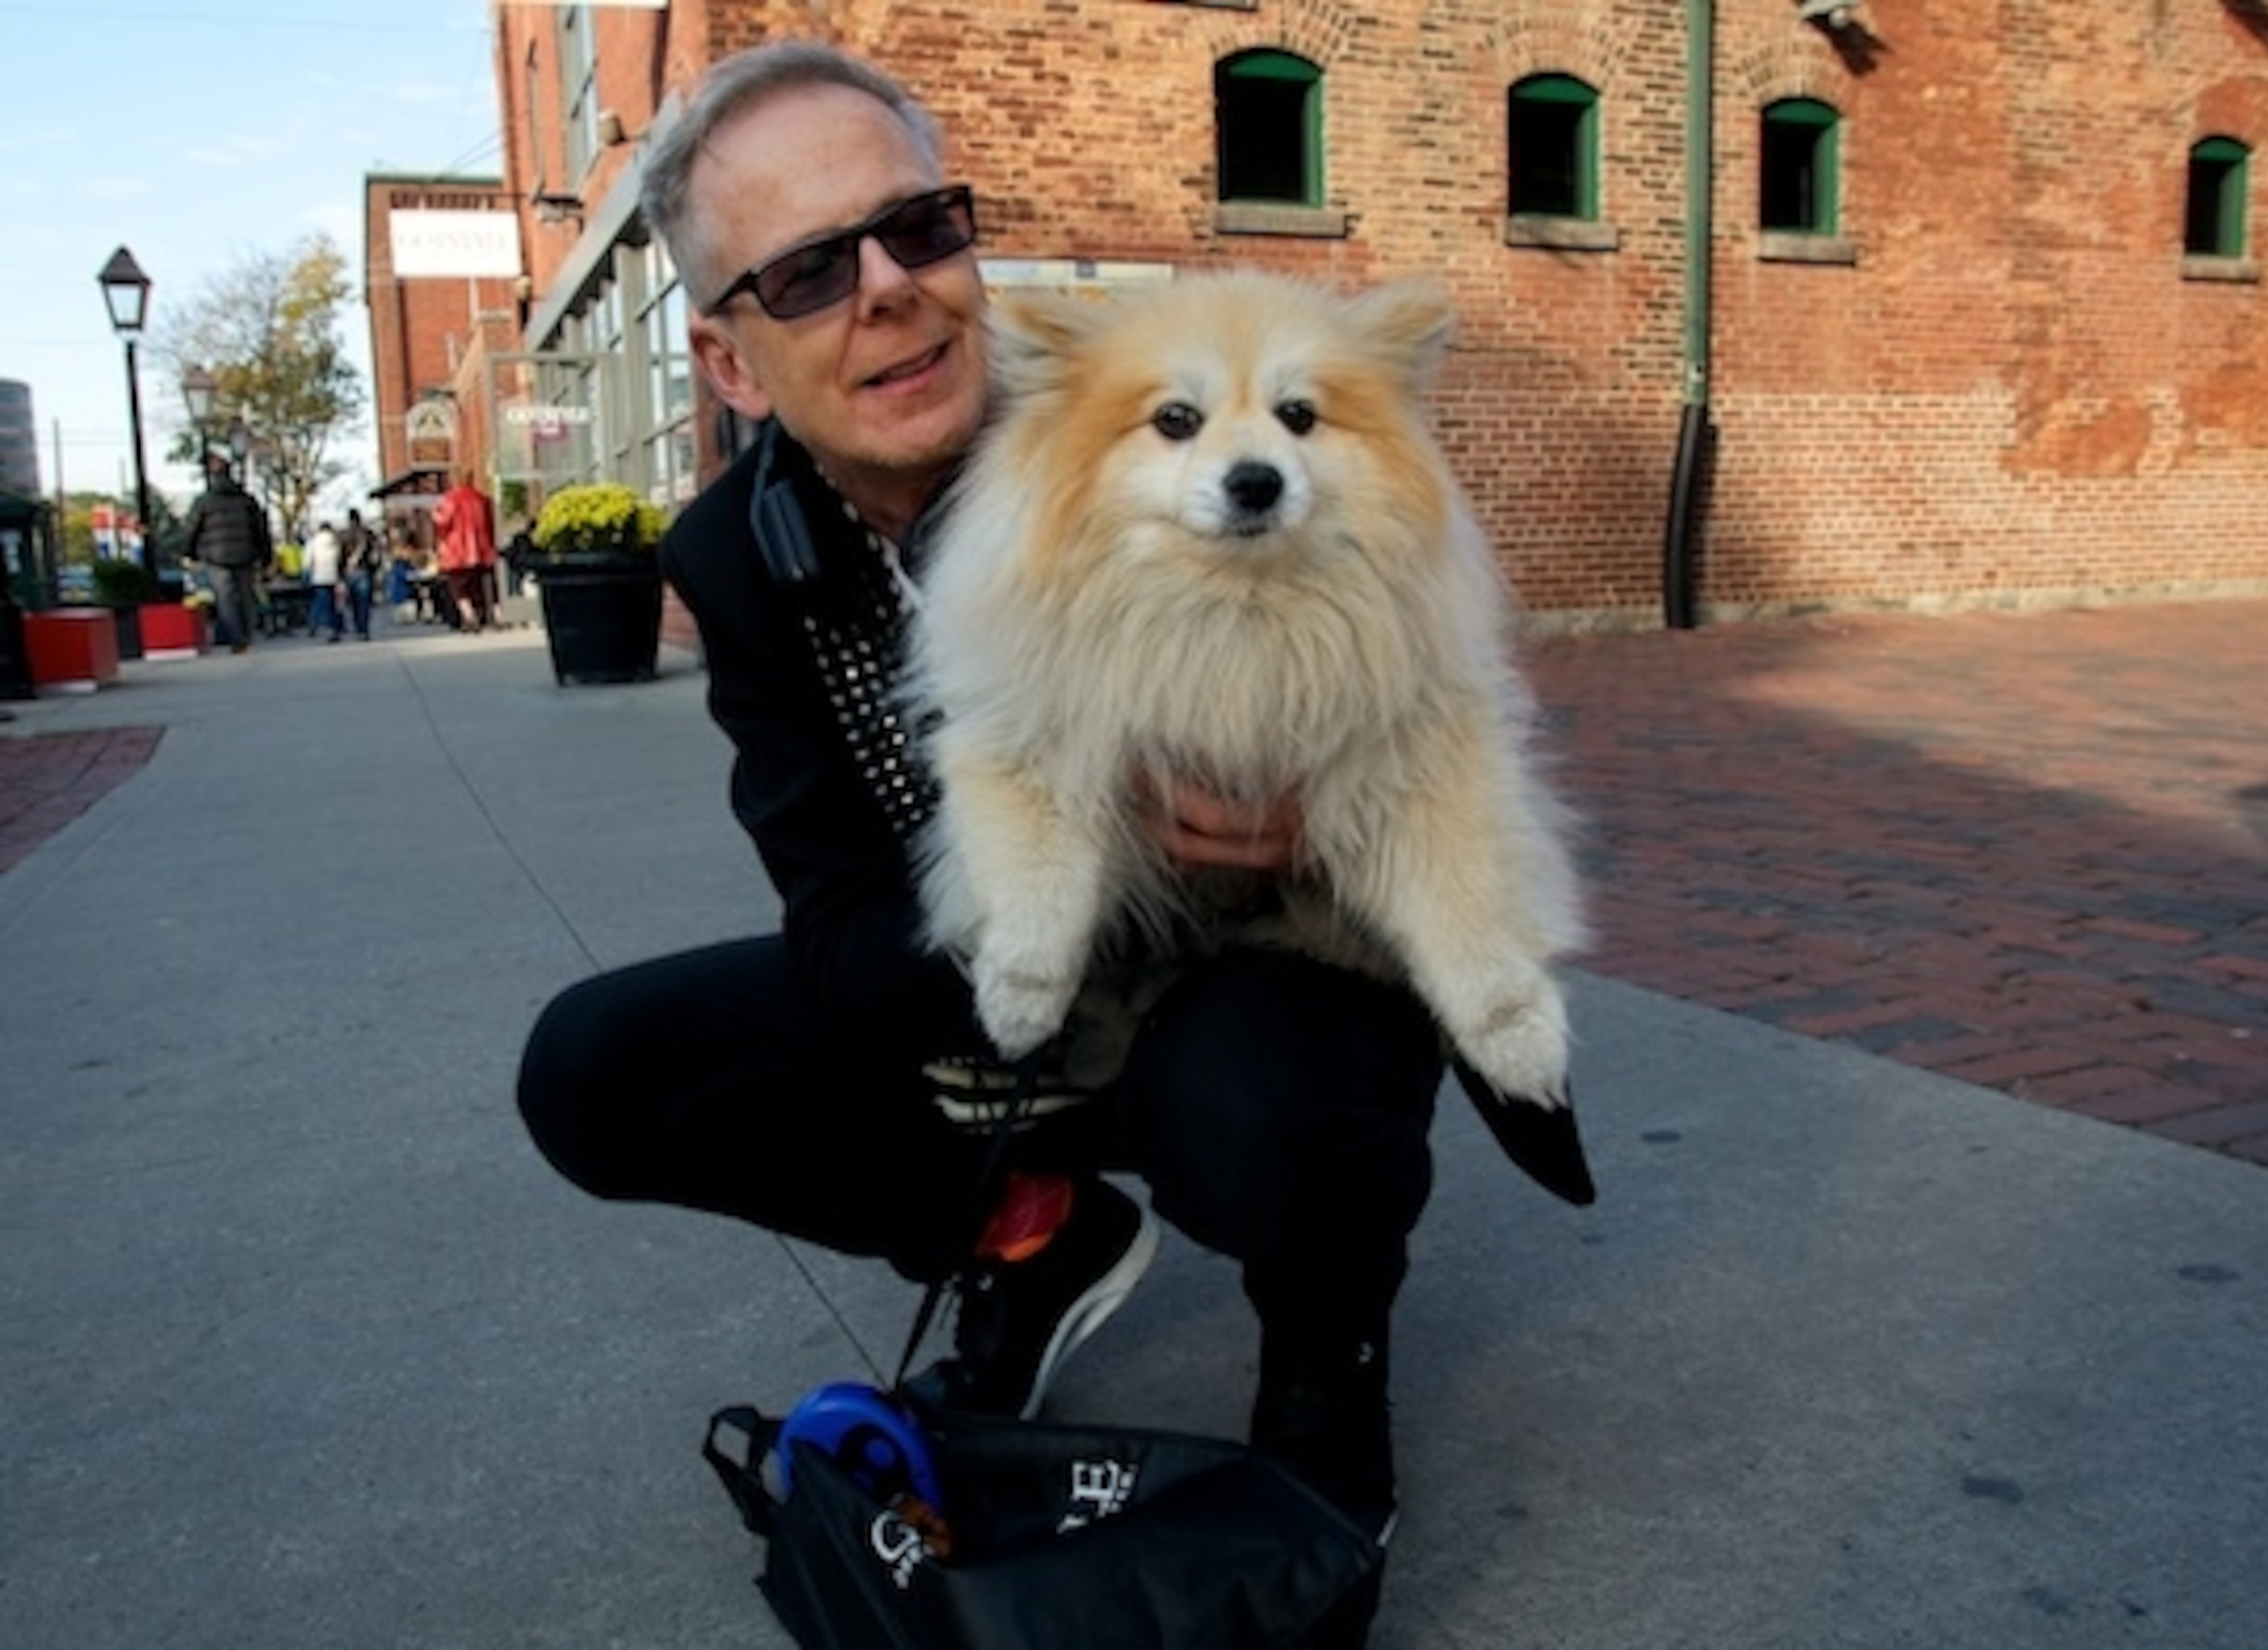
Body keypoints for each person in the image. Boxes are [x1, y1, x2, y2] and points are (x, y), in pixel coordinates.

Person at [516, 42, 1463, 1644]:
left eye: (920, 229)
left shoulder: (1150, 420)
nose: (889, 290)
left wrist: (1318, 768)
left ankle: (1324, 1341)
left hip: (1266, 960)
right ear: (733, 365)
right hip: (1000, 966)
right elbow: (838, 924)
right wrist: (1079, 855)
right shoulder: (743, 560)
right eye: (811, 270)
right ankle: (1037, 1228)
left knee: (1261, 1097)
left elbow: (1414, 658)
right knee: (602, 1069)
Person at [181, 452, 272, 653]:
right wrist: (265, 556)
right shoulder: (247, 500)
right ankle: (247, 635)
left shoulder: (204, 502)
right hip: (245, 555)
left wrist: (188, 552)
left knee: (226, 599)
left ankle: (237, 639)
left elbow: (191, 529)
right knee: (246, 597)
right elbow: (261, 530)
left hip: (216, 557)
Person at [433, 469, 497, 631]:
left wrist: (434, 513)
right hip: (480, 550)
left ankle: (469, 616)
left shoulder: (450, 500)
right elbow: (491, 525)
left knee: (458, 589)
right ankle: (483, 614)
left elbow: (442, 522)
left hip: (457, 552)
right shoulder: (481, 499)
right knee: (476, 586)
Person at [338, 508, 381, 640]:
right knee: (364, 603)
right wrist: (375, 569)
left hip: (349, 572)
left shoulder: (343, 535)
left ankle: (357, 627)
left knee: (354, 603)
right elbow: (376, 554)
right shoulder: (368, 534)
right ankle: (364, 629)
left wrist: (340, 573)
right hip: (364, 570)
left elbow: (340, 557)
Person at [301, 522, 346, 642]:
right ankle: (335, 627)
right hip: (334, 576)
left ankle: (314, 625)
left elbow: (307, 561)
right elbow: (341, 559)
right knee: (334, 604)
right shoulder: (336, 542)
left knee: (319, 602)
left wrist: (306, 575)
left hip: (319, 577)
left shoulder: (313, 542)